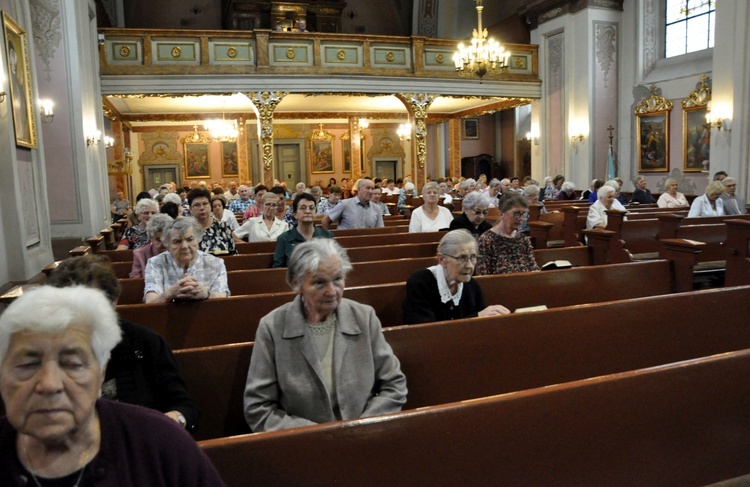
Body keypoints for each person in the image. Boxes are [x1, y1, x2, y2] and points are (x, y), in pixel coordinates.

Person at [0, 286, 224, 486]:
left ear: (101, 372)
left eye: (72, 364)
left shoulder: (161, 442)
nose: (49, 384)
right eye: (27, 365)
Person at [243, 239, 408, 432]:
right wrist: (317, 437)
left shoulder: (364, 317)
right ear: (297, 283)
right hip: (303, 445)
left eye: (338, 279)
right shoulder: (272, 327)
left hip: (365, 437)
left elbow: (394, 386)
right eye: (319, 283)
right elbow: (258, 408)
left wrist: (362, 427)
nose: (332, 291)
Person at [48, 255, 200, 430]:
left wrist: (170, 421)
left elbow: (185, 407)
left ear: (113, 301)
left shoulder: (145, 342)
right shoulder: (45, 350)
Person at [402, 229, 510, 324]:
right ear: (442, 260)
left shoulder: (472, 285)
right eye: (462, 258)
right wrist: (477, 317)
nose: (469, 266)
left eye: (473, 257)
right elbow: (426, 332)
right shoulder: (420, 282)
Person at [144, 218, 230, 303]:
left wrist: (206, 293)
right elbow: (150, 302)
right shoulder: (155, 263)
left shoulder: (216, 263)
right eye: (177, 241)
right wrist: (170, 293)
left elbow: (223, 299)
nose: (184, 246)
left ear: (198, 240)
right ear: (168, 245)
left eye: (190, 239)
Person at [476, 194, 540, 275]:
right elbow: (483, 276)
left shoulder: (523, 239)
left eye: (523, 214)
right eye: (516, 213)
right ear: (501, 214)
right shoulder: (486, 240)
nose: (520, 218)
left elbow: (533, 268)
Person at [274, 193, 333, 267]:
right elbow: (278, 269)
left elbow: (333, 264)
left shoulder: (326, 236)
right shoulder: (284, 239)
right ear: (295, 214)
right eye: (303, 208)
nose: (308, 211)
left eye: (311, 208)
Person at [187, 188, 236, 255]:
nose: (202, 208)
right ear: (190, 208)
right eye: (197, 205)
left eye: (205, 204)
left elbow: (233, 254)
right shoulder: (187, 230)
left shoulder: (223, 227)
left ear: (210, 205)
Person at [130, 213, 173, 278]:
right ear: (151, 239)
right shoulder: (140, 254)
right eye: (158, 240)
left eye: (166, 239)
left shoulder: (178, 252)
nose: (164, 243)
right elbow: (135, 280)